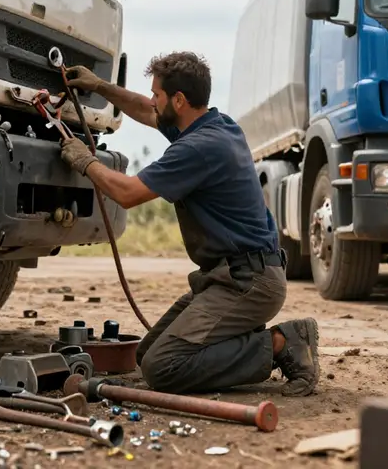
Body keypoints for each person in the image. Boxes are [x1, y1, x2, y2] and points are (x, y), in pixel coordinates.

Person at [58, 51, 319, 397]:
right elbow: (143, 109)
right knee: (147, 354)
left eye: (158, 94)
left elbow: (127, 192)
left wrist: (85, 160)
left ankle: (280, 342)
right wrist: (100, 86)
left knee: (163, 367)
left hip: (249, 283)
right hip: (229, 276)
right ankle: (252, 340)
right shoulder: (216, 123)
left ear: (179, 101)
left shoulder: (198, 148)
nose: (152, 100)